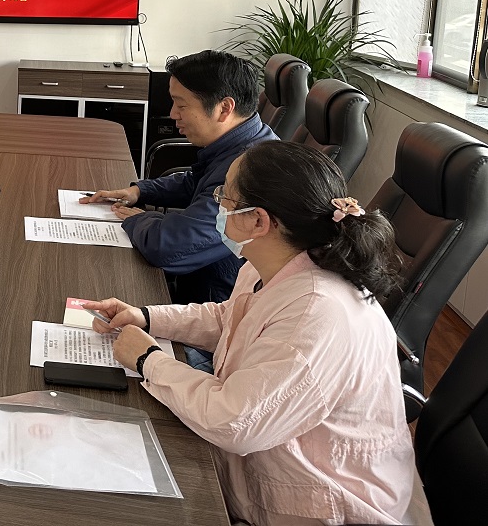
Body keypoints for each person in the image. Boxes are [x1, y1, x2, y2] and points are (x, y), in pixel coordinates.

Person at [81, 142, 415, 526]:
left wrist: (147, 359)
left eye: (225, 196)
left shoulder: (317, 312)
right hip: (264, 456)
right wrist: (146, 317)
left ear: (259, 221)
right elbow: (230, 318)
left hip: (323, 503)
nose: (218, 204)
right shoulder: (274, 261)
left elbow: (235, 423)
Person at [82, 50, 277, 307]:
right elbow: (194, 182)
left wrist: (140, 218)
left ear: (224, 108)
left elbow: (169, 248)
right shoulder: (245, 140)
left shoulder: (251, 172)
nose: (173, 114)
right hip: (200, 284)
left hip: (214, 304)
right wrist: (140, 191)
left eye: (181, 105)